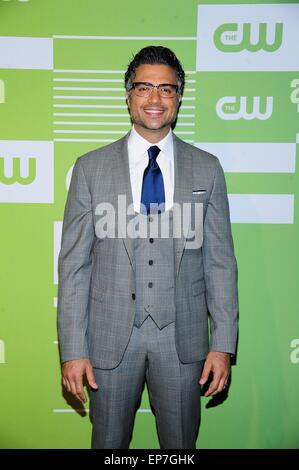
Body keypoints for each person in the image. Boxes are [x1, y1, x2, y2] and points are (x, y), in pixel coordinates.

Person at [57, 46, 238, 449]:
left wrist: (222, 344)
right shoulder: (90, 168)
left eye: (166, 89)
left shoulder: (207, 168)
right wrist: (72, 350)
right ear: (128, 94)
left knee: (180, 449)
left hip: (183, 341)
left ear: (178, 97)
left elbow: (220, 263)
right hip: (108, 341)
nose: (155, 99)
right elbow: (74, 268)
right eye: (144, 87)